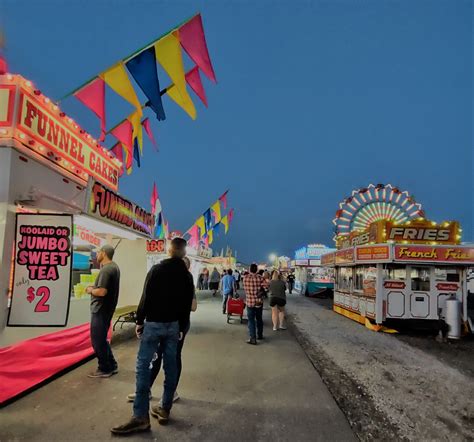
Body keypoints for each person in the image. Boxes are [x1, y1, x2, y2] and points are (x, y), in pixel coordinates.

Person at [111, 238, 194, 435]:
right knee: (171, 365)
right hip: (174, 326)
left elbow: (145, 296)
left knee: (143, 366)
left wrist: (139, 321)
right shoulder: (186, 276)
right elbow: (186, 304)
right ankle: (165, 407)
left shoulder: (156, 270)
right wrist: (182, 326)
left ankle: (140, 416)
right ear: (183, 253)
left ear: (169, 250)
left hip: (154, 324)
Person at [126, 256, 197, 404]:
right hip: (159, 323)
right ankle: (147, 391)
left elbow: (193, 306)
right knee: (155, 356)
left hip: (177, 326)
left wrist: (177, 301)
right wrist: (141, 320)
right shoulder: (159, 274)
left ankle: (170, 395)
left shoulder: (186, 279)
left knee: (173, 358)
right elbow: (146, 298)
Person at [86, 244, 121, 378]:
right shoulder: (114, 267)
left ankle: (104, 368)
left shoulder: (106, 270)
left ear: (104, 253)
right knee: (101, 338)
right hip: (107, 309)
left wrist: (90, 290)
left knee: (97, 340)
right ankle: (112, 364)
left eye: (98, 252)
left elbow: (101, 291)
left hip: (100, 309)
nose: (96, 254)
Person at [243, 263, 264, 345]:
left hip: (249, 302)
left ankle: (253, 338)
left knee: (251, 320)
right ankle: (260, 335)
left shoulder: (245, 278)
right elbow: (266, 287)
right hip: (258, 302)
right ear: (257, 270)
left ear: (249, 269)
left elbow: (245, 288)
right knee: (259, 319)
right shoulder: (260, 278)